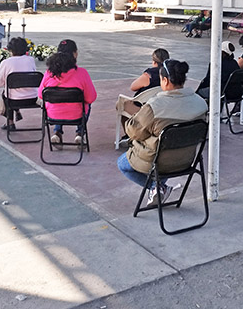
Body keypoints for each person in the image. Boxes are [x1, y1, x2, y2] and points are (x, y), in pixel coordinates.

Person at [117, 59, 208, 206]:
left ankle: (157, 187)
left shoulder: (155, 106)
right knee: (164, 148)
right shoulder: (201, 103)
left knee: (122, 163)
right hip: (187, 159)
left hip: (157, 162)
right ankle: (159, 187)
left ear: (165, 80)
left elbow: (134, 132)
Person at [38, 39, 97, 145]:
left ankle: (57, 131)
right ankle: (80, 133)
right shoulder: (82, 73)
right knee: (87, 103)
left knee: (58, 102)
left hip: (52, 115)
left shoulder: (49, 73)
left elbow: (40, 94)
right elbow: (91, 98)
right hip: (76, 115)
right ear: (74, 54)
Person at [0, 37, 38, 130]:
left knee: (6, 93)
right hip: (33, 99)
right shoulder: (31, 60)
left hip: (13, 101)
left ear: (10, 50)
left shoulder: (6, 62)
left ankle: (10, 122)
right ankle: (16, 113)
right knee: (13, 90)